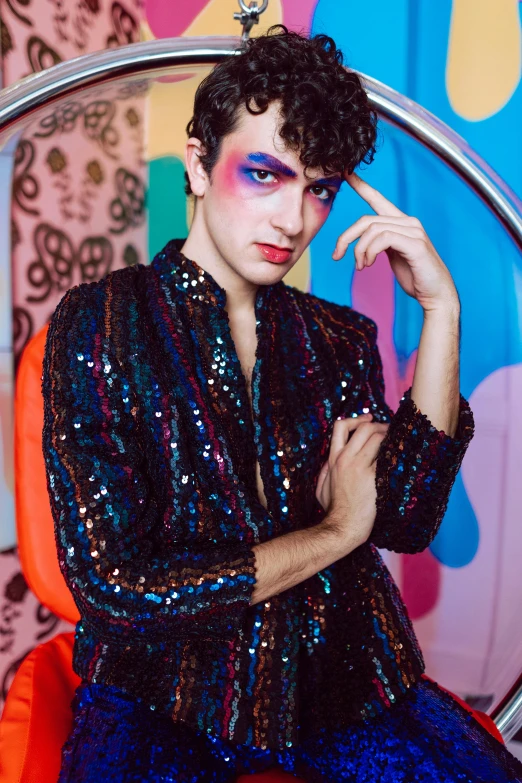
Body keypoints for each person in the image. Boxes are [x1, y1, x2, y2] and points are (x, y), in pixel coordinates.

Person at [43, 24, 522, 783]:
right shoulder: (101, 321)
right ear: (199, 164)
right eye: (266, 175)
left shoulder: (338, 338)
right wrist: (334, 533)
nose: (294, 220)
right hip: (159, 698)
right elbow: (116, 589)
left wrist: (441, 312)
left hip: (341, 682)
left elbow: (403, 516)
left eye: (319, 187)